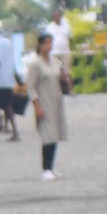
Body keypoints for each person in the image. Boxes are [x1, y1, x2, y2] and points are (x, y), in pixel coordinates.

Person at [23, 30, 68, 180]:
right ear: (40, 45)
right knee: (47, 135)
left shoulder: (54, 61)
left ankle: (51, 168)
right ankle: (46, 168)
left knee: (55, 134)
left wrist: (64, 77)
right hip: (44, 102)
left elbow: (60, 76)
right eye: (46, 43)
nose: (49, 46)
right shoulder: (35, 63)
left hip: (55, 101)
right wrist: (36, 105)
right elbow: (31, 86)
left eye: (50, 43)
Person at [45, 8, 74, 76]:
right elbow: (47, 41)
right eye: (54, 16)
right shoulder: (49, 27)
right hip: (53, 53)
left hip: (65, 53)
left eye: (57, 16)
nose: (56, 17)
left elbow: (70, 39)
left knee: (67, 73)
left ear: (60, 16)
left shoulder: (67, 26)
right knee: (55, 73)